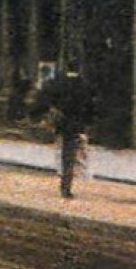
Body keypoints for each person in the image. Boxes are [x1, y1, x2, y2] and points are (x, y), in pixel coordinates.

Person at [33, 68, 97, 199]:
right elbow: (91, 107)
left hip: (62, 123)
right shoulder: (84, 85)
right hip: (77, 124)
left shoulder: (56, 83)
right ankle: (66, 183)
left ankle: (65, 183)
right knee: (70, 154)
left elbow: (42, 102)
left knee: (65, 154)